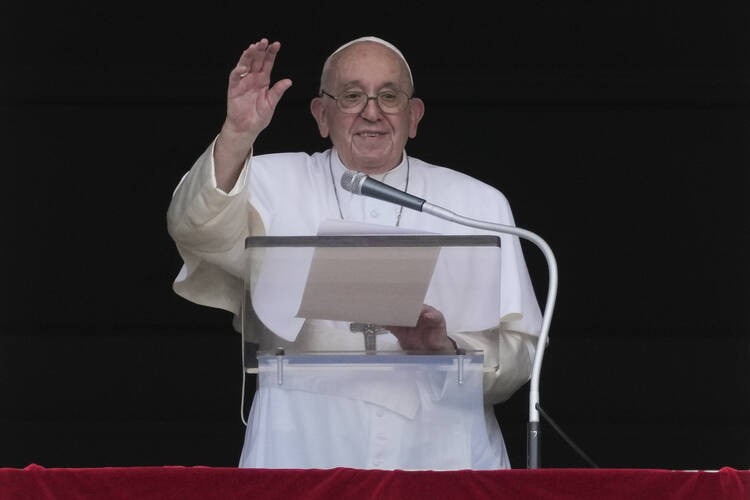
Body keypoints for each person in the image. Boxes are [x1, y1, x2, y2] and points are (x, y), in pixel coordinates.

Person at [167, 36, 542, 470]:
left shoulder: (477, 204)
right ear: (321, 115)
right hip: (301, 437)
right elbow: (193, 227)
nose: (371, 111)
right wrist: (237, 134)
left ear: (413, 116)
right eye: (351, 96)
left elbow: (519, 351)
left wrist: (447, 349)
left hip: (439, 444)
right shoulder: (267, 182)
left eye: (389, 96)